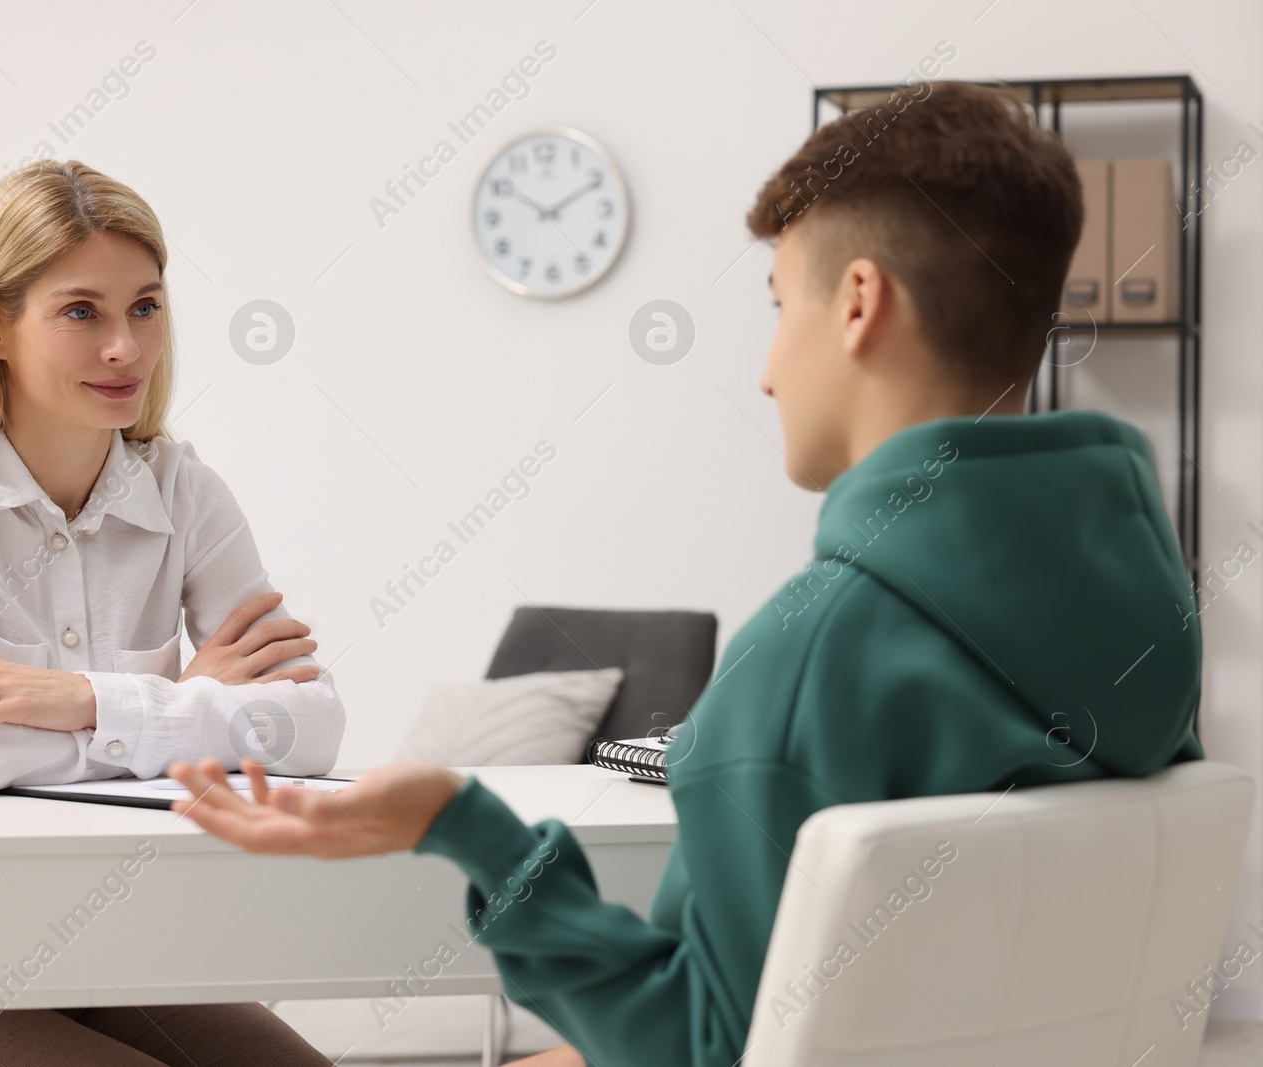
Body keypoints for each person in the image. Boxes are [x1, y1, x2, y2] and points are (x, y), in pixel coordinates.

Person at [166, 80, 1204, 1066]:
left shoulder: (803, 664)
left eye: (775, 301)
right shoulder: (1146, 623)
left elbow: (699, 1047)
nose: (763, 370)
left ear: (856, 302)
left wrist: (466, 824)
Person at [0, 160, 343, 1066]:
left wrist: (77, 699)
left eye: (146, 306)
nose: (126, 347)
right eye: (81, 311)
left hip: (116, 961)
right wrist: (173, 703)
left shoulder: (183, 487)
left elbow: (312, 726)